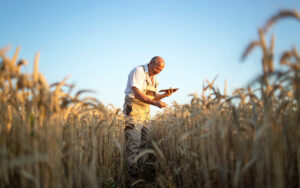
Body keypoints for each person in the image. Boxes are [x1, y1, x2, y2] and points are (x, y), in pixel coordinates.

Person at [123, 56, 176, 178]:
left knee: (145, 140)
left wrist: (165, 95)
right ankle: (131, 174)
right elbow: (137, 92)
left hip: (145, 110)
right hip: (133, 108)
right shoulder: (139, 71)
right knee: (134, 141)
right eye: (157, 68)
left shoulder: (154, 80)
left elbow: (152, 97)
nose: (158, 71)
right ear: (151, 63)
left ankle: (141, 169)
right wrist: (155, 104)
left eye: (161, 70)